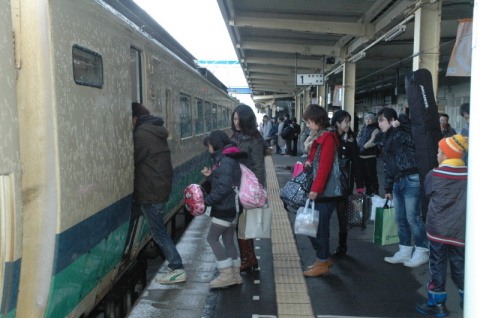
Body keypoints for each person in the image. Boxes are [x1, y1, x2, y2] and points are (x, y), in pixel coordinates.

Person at [131, 102, 186, 284]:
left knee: (159, 233)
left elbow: (132, 159)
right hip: (159, 189)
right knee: (159, 231)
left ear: (135, 118)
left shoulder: (140, 135)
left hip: (150, 191)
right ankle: (176, 266)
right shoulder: (155, 132)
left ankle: (177, 267)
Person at [416, 134, 468, 316]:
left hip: (437, 231)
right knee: (460, 266)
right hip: (460, 231)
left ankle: (437, 304)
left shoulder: (434, 174)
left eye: (439, 151)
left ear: (446, 155)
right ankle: (467, 301)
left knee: (437, 265)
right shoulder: (469, 175)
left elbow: (429, 193)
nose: (437, 155)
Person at [378, 107, 428, 267]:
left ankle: (422, 250)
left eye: (382, 120)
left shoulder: (402, 133)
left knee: (413, 217)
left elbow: (415, 138)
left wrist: (403, 122)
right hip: (398, 180)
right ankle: (405, 250)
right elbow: (387, 164)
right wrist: (387, 188)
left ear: (392, 120)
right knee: (400, 218)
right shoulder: (386, 137)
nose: (379, 124)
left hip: (411, 177)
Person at [201, 130, 245, 288]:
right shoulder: (229, 159)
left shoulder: (225, 161)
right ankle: (235, 275)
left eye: (209, 145)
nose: (208, 149)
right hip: (233, 206)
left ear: (215, 144)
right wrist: (210, 176)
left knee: (212, 238)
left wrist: (206, 201)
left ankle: (226, 275)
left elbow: (223, 188)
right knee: (227, 239)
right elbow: (225, 181)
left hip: (225, 207)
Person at [302, 104, 339, 276]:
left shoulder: (328, 138)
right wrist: (308, 163)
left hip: (326, 192)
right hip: (321, 190)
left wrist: (315, 190)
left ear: (318, 120)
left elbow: (325, 167)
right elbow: (315, 160)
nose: (307, 125)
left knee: (316, 228)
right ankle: (323, 258)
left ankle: (322, 261)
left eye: (309, 121)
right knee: (317, 227)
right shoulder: (318, 136)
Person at [231, 104, 267, 271]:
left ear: (247, 120)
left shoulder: (253, 139)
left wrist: (259, 190)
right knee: (243, 224)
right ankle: (250, 258)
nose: (235, 121)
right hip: (238, 185)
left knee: (243, 225)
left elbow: (259, 166)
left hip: (248, 187)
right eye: (234, 118)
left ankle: (247, 259)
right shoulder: (237, 137)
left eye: (239, 118)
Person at [330, 110, 363, 257]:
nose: (348, 125)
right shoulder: (329, 137)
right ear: (337, 122)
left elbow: (357, 162)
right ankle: (324, 245)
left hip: (344, 185)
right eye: (346, 122)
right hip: (329, 184)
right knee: (325, 215)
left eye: (349, 122)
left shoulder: (351, 139)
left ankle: (342, 246)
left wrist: (360, 185)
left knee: (342, 217)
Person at [357, 113, 380, 196]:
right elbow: (359, 138)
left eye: (370, 119)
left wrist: (364, 147)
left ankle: (375, 190)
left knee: (371, 175)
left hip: (370, 156)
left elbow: (373, 140)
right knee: (364, 175)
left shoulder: (375, 129)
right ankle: (368, 191)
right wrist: (357, 146)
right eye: (366, 118)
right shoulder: (363, 128)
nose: (368, 120)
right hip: (361, 156)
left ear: (373, 120)